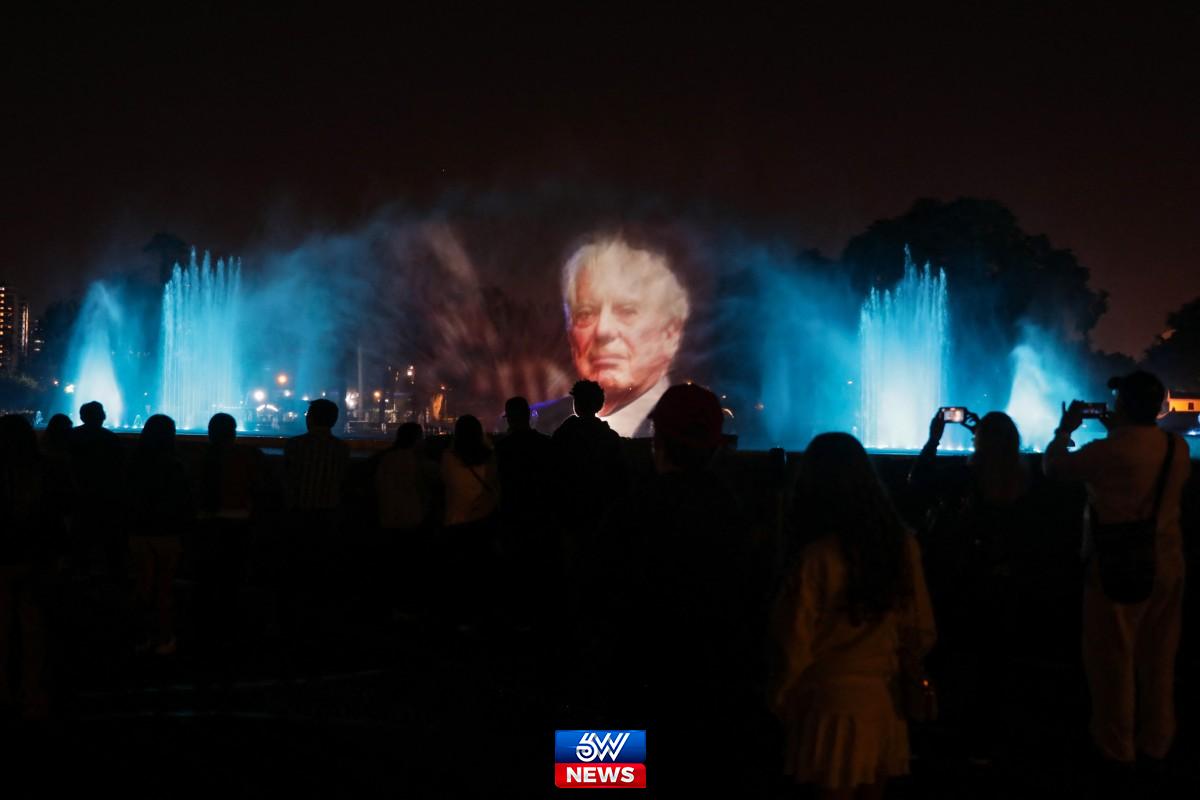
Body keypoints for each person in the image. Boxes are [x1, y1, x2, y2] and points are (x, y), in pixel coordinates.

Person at [585, 384, 769, 794]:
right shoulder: (733, 515)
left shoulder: (630, 510)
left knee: (599, 778)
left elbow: (594, 596)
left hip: (631, 686)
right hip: (711, 701)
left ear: (659, 442)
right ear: (715, 446)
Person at [1043, 371, 1190, 790]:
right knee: (1159, 659)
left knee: (1113, 660)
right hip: (1168, 565)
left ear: (1123, 404)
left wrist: (1065, 430)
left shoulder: (1106, 452)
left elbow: (1054, 467)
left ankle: (1117, 752)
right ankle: (1157, 746)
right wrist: (1120, 430)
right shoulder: (1176, 448)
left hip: (1115, 567)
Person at [773, 433, 936, 799]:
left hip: (824, 707)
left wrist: (779, 698)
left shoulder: (815, 557)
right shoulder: (901, 547)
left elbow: (793, 642)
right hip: (882, 705)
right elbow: (921, 630)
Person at [909, 410, 1032, 765]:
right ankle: (985, 743)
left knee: (948, 658)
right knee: (993, 665)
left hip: (959, 582)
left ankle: (937, 736)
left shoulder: (965, 479)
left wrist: (935, 437)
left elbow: (918, 481)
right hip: (1002, 585)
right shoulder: (1023, 482)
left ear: (979, 442)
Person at [533, 236, 691, 437]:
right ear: (570, 333)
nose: (603, 331)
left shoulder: (688, 425)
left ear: (670, 332)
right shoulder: (536, 423)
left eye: (627, 311)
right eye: (585, 313)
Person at [127, 414, 192, 655]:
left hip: (139, 530)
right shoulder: (175, 465)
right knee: (164, 587)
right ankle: (163, 637)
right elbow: (183, 500)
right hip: (166, 532)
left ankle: (140, 636)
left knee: (142, 584)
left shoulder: (133, 463)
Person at [439, 415, 499, 628]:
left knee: (457, 575)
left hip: (455, 522)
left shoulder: (448, 458)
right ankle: (479, 619)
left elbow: (444, 481)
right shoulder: (489, 457)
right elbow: (495, 487)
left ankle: (458, 619)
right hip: (481, 522)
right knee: (480, 574)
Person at [68, 401, 126, 577]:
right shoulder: (111, 439)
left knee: (81, 542)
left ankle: (79, 577)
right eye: (102, 411)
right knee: (109, 542)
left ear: (82, 417)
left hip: (79, 497)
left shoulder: (71, 436)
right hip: (106, 498)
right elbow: (119, 469)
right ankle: (111, 578)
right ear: (102, 416)